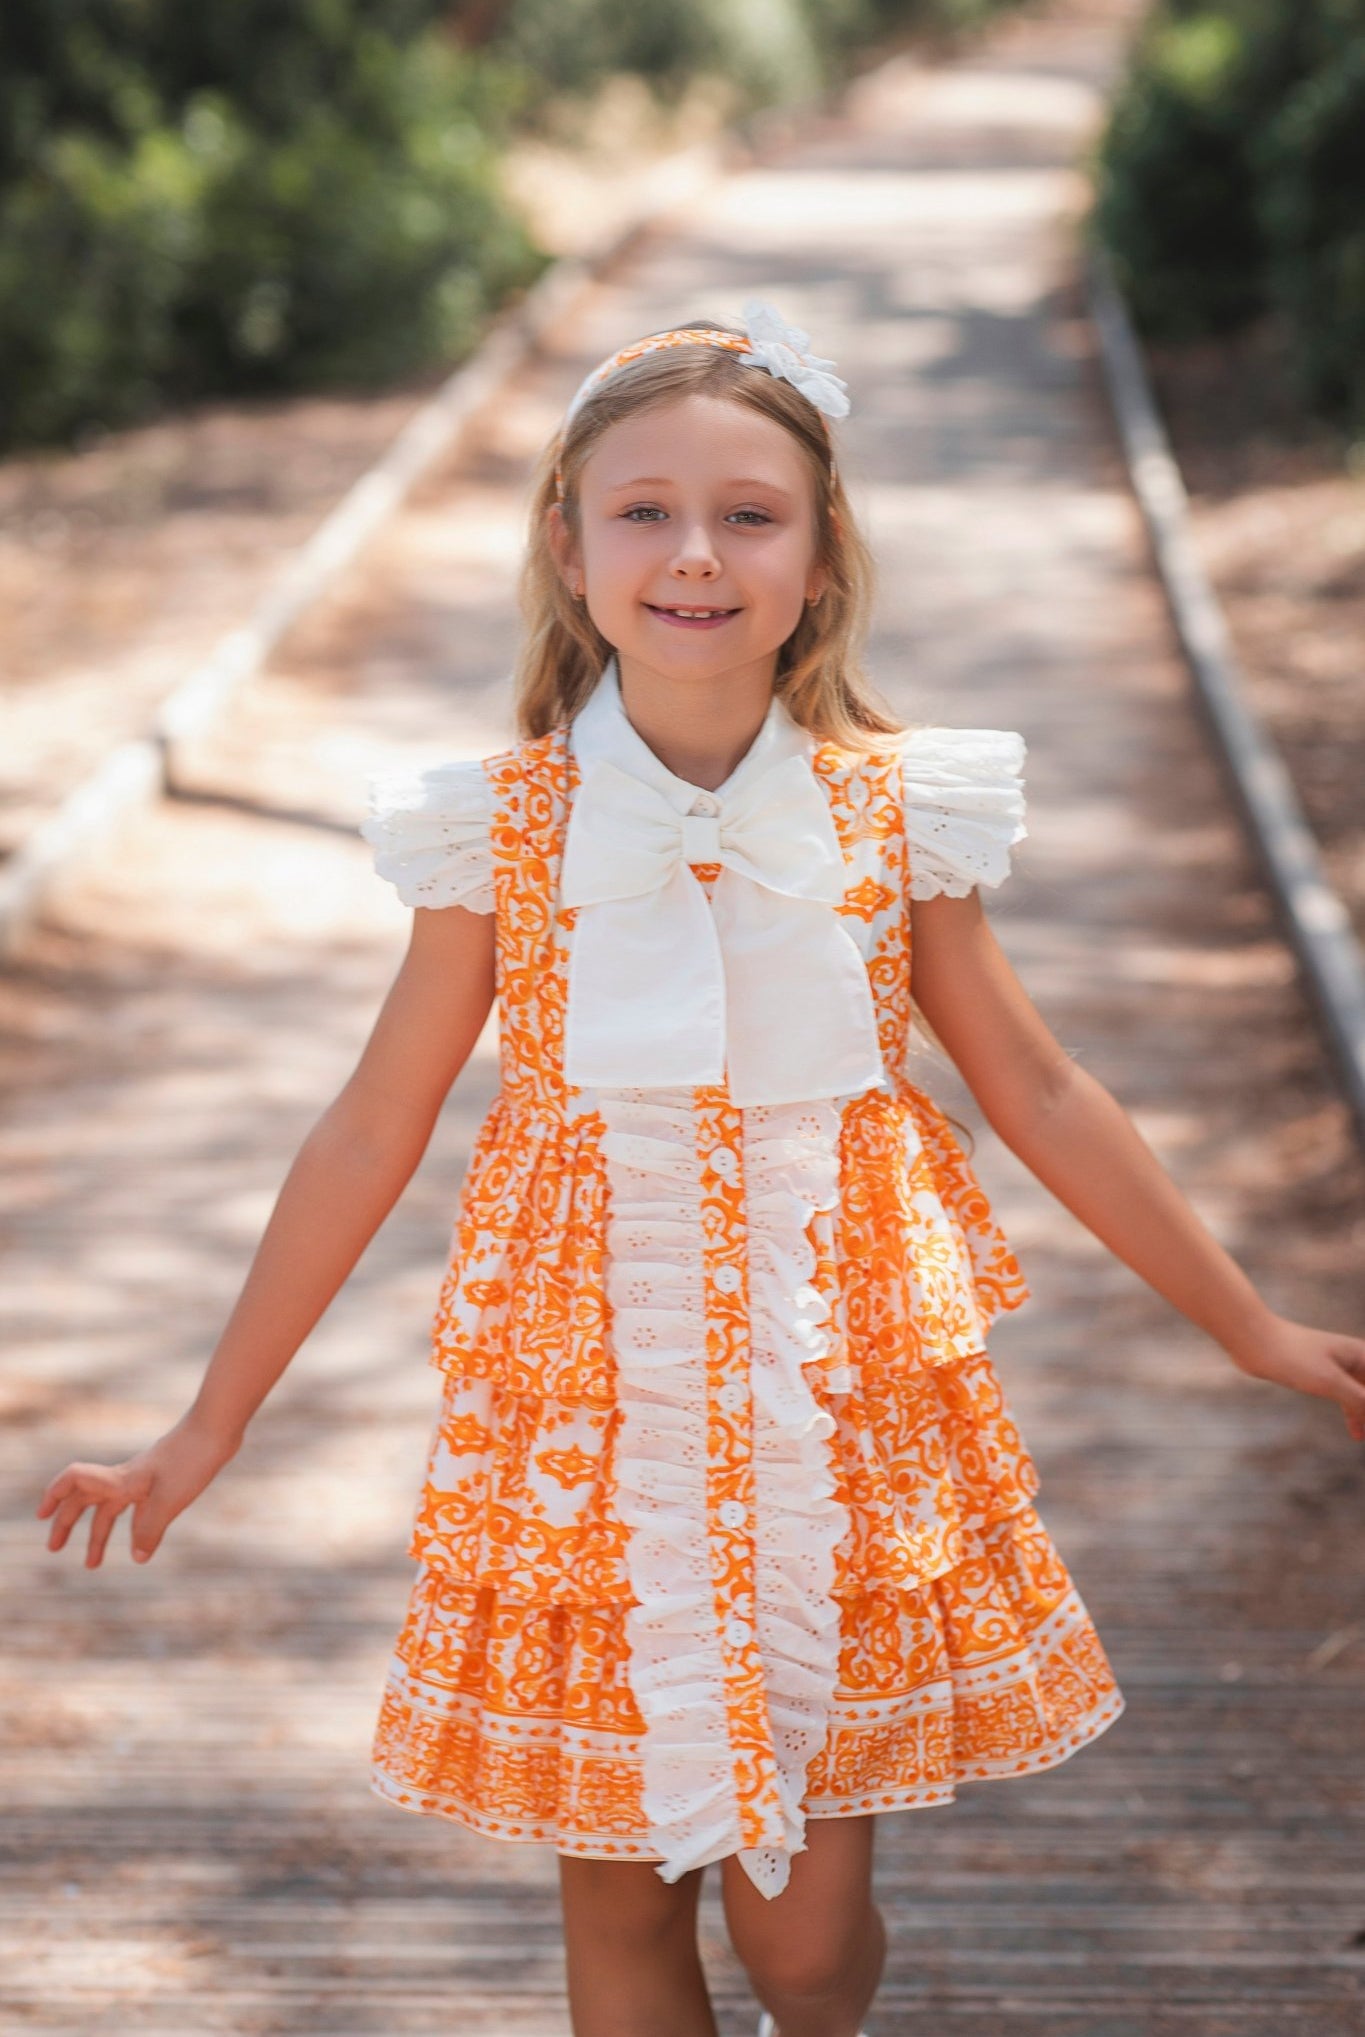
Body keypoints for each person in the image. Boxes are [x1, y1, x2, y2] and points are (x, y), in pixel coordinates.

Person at [36, 301, 1365, 2037]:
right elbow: (369, 1124)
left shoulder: (896, 814)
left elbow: (1037, 1086)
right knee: (620, 1906)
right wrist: (208, 1422)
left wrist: (1249, 1323)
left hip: (837, 1401)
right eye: (642, 509)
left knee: (805, 1943)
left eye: (750, 513)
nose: (693, 552)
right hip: (587, 1428)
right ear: (569, 543)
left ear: (818, 560)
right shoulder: (499, 831)